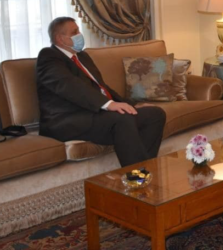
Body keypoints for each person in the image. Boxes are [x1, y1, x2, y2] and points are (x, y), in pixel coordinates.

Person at [36, 17, 166, 167]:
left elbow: (102, 87)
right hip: (66, 120)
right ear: (60, 38)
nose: (79, 35)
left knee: (155, 114)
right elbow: (70, 85)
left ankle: (145, 169)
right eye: (74, 32)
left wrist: (132, 105)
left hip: (95, 115)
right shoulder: (48, 57)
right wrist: (108, 104)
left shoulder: (82, 56)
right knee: (122, 119)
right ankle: (137, 175)